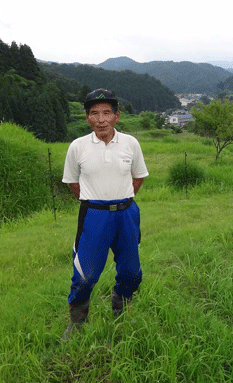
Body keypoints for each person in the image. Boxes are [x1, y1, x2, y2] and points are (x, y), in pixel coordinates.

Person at [61, 88, 149, 340]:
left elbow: (138, 176)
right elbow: (72, 183)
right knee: (85, 274)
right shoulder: (77, 147)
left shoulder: (131, 143)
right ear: (87, 118)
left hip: (126, 214)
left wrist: (121, 197)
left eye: (106, 113)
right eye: (95, 113)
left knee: (132, 272)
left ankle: (121, 311)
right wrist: (96, 199)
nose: (101, 119)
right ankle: (77, 322)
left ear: (116, 116)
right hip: (94, 216)